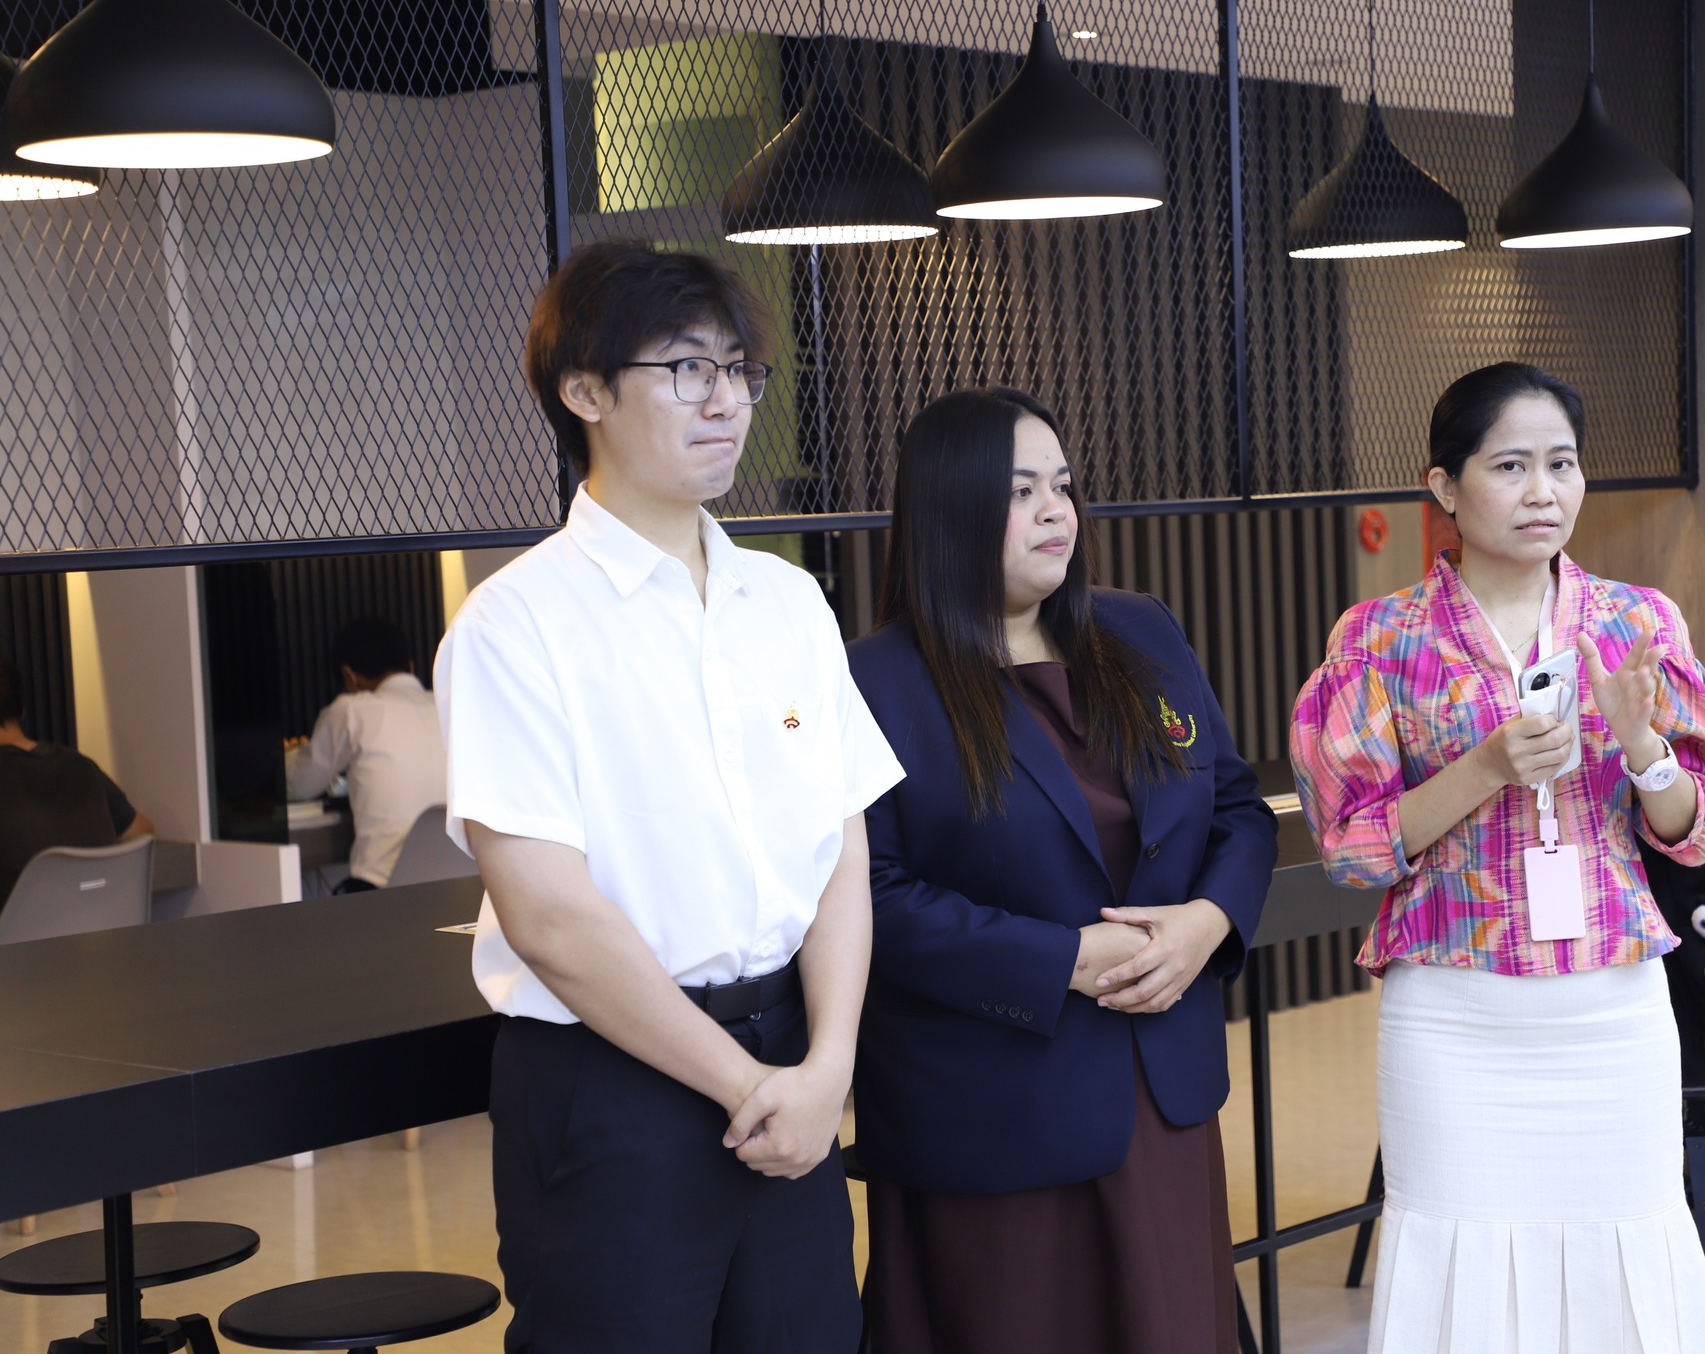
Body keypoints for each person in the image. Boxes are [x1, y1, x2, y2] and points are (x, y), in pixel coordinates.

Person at [434, 240, 902, 1353]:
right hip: (612, 1087)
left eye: (740, 371)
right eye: (688, 369)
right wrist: (748, 1085)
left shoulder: (787, 602)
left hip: (791, 1064)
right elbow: (549, 916)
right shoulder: (515, 626)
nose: (726, 401)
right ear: (584, 391)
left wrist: (826, 1065)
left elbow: (840, 849)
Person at [1290, 362, 1705, 1353]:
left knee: (1625, 1253)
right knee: (1459, 1265)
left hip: (1611, 1009)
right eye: (1510, 466)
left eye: (1562, 464)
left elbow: (1698, 827)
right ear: (1444, 487)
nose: (1544, 491)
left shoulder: (1634, 623)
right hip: (1452, 1015)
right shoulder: (1378, 640)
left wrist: (1643, 747)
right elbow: (1353, 849)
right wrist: (1485, 768)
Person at [847, 387, 1277, 1354]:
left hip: (1160, 1090)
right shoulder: (876, 679)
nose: (1056, 511)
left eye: (1063, 485)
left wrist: (1208, 922)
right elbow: (870, 893)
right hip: (995, 1107)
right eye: (1020, 491)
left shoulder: (1139, 630)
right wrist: (1061, 961)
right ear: (950, 508)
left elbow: (1238, 807)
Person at [286, 616, 446, 891]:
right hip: (461, 883)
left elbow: (299, 784)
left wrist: (290, 754)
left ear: (349, 675)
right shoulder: (449, 708)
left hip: (384, 891)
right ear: (410, 667)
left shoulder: (352, 710)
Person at [0, 655, 154, 901]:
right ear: (23, 712)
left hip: (20, 926)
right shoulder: (81, 766)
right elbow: (141, 833)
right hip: (104, 921)